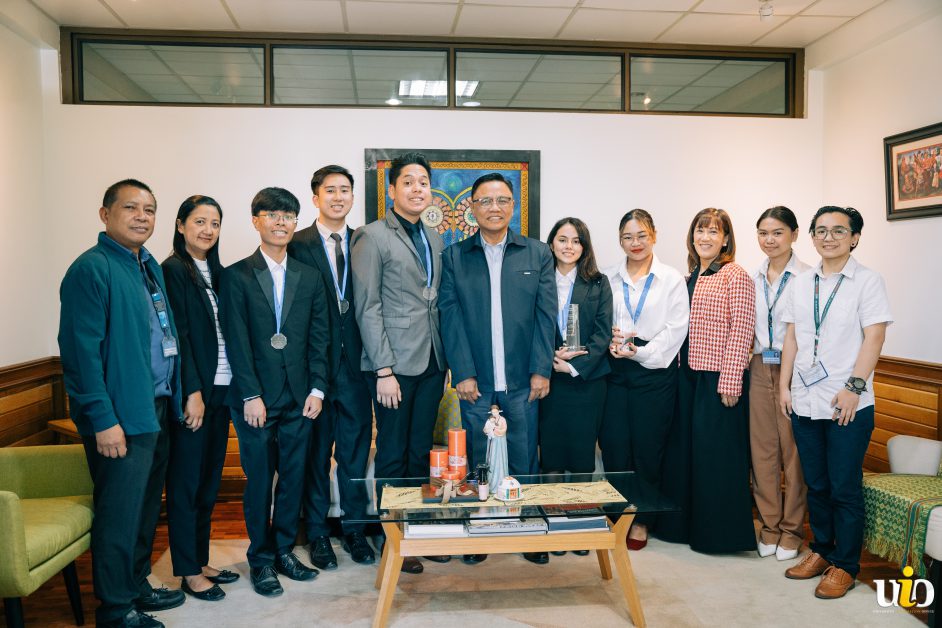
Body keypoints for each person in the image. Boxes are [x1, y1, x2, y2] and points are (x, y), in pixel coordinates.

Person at [58, 179, 185, 628]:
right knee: (118, 514)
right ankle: (114, 609)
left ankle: (135, 585)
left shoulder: (147, 265)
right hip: (119, 418)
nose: (141, 216)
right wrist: (103, 420)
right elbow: (79, 355)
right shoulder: (91, 269)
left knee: (147, 508)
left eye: (149, 209)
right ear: (105, 214)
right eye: (130, 207)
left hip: (154, 408)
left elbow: (163, 340)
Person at [438, 172, 556, 565]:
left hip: (523, 379)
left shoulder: (537, 253)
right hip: (477, 379)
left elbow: (545, 315)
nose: (494, 207)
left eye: (502, 200)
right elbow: (450, 317)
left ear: (512, 206)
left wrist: (542, 369)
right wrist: (463, 372)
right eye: (485, 200)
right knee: (477, 458)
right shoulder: (455, 256)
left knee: (524, 456)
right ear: (473, 207)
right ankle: (480, 533)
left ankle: (527, 533)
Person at [219, 187, 329, 597]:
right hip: (256, 401)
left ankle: (284, 550)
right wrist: (249, 395)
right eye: (272, 215)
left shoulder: (309, 276)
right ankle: (261, 560)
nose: (281, 223)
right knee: (260, 480)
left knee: (293, 479)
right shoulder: (235, 275)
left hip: (301, 398)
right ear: (256, 220)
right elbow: (236, 339)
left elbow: (320, 339)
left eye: (288, 216)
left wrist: (317, 389)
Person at [780, 206, 892, 599]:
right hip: (806, 399)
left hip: (848, 403)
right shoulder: (802, 281)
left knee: (844, 487)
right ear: (811, 236)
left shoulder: (867, 281)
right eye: (821, 230)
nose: (829, 237)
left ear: (855, 237)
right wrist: (784, 385)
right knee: (817, 484)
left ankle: (845, 564)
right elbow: (791, 337)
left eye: (838, 231)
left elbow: (874, 338)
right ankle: (822, 551)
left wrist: (854, 387)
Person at [350, 152, 448, 575]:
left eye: (423, 182)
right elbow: (367, 307)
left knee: (420, 450)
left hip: (432, 361)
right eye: (408, 181)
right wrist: (383, 370)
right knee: (391, 453)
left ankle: (418, 530)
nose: (416, 189)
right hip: (394, 365)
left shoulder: (434, 236)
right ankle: (394, 540)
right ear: (391, 190)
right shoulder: (371, 237)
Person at [289, 165, 376, 570]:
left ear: (353, 197)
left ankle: (356, 529)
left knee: (356, 455)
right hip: (315, 372)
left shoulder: (366, 241)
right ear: (315, 197)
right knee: (317, 455)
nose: (338, 197)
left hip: (358, 368)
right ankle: (319, 534)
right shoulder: (296, 242)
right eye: (330, 190)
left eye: (345, 190)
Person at [658, 207, 756, 553]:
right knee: (685, 454)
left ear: (726, 238)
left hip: (718, 379)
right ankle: (681, 528)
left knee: (717, 458)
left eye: (714, 232)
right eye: (700, 230)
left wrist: (730, 380)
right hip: (686, 375)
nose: (705, 237)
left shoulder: (735, 275)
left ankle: (718, 535)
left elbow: (742, 328)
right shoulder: (689, 277)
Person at [161, 195, 238, 602]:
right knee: (186, 483)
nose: (207, 229)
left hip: (223, 390)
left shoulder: (219, 273)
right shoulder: (172, 271)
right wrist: (191, 392)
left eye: (214, 223)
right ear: (180, 225)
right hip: (196, 393)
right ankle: (187, 570)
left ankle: (201, 558)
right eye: (199, 221)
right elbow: (181, 336)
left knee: (209, 483)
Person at [601, 209, 688, 551]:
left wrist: (638, 353)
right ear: (619, 240)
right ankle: (617, 515)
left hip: (654, 373)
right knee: (615, 448)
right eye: (627, 237)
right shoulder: (607, 277)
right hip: (613, 372)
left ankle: (642, 521)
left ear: (654, 235)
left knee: (648, 450)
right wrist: (608, 340)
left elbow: (676, 329)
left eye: (641, 235)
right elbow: (597, 319)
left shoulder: (670, 278)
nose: (635, 243)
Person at [749, 206, 810, 562]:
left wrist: (788, 379)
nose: (769, 240)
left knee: (794, 453)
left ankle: (791, 530)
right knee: (762, 451)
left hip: (794, 369)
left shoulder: (807, 276)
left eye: (777, 233)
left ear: (794, 235)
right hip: (759, 365)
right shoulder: (751, 276)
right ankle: (769, 526)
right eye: (763, 233)